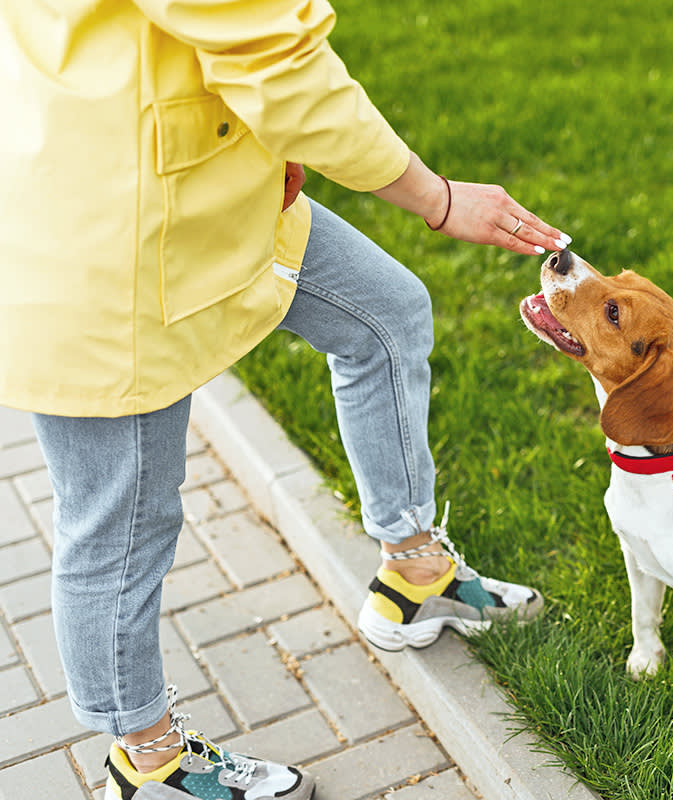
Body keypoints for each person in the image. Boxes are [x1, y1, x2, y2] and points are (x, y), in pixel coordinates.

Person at [0, 2, 567, 798]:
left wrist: (258, 142)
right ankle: (150, 760)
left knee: (386, 316)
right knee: (118, 521)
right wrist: (436, 197)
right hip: (103, 242)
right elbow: (280, 64)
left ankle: (415, 575)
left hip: (215, 192)